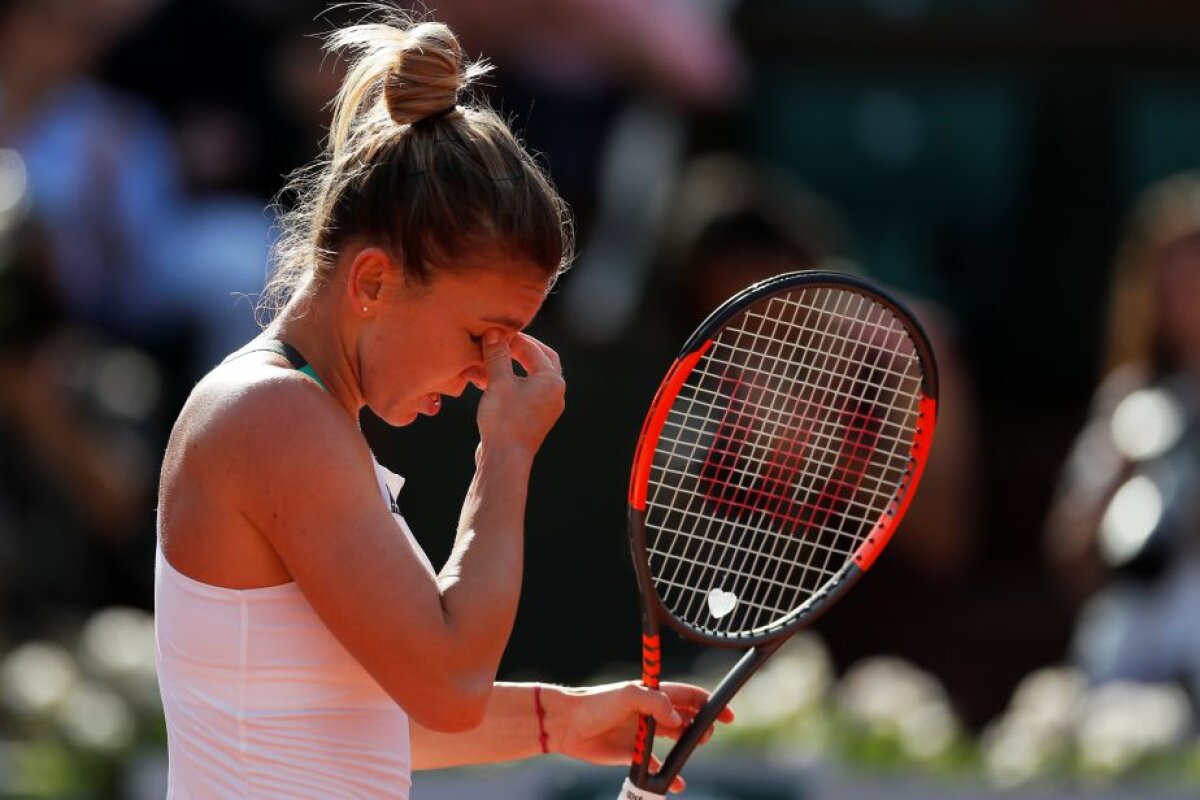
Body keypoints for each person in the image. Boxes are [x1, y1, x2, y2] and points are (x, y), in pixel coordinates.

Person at [154, 9, 729, 797]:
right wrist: (507, 451)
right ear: (372, 283)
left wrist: (556, 721)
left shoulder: (293, 416)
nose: (487, 372)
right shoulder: (273, 416)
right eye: (481, 334)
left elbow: (343, 723)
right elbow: (449, 687)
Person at [1044, 171, 1200, 696]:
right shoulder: (1127, 399)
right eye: (1173, 282)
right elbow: (1071, 555)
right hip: (1127, 662)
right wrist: (1119, 476)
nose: (1188, 297)